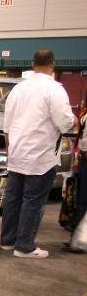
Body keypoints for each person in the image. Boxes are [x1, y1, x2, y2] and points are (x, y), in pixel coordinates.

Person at [0, 49, 77, 258]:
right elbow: (65, 123)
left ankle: (8, 241)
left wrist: (10, 152)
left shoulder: (18, 88)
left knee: (13, 199)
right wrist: (74, 120)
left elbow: (7, 125)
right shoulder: (55, 90)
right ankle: (24, 246)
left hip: (17, 153)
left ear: (33, 64)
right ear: (53, 65)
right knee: (33, 201)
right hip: (40, 156)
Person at [67, 93, 87, 246]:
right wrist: (77, 158)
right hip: (83, 158)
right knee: (81, 199)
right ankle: (77, 238)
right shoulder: (84, 115)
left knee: (83, 200)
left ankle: (78, 239)